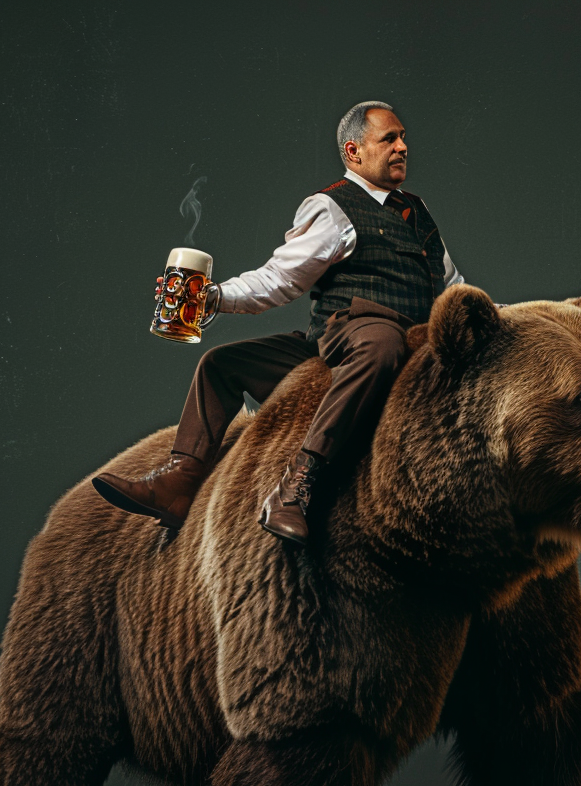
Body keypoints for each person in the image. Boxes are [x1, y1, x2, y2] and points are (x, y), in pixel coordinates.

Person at [93, 101, 467, 545]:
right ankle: (194, 484)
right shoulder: (333, 208)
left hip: (414, 339)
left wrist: (497, 327)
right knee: (224, 364)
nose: (403, 146)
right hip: (351, 331)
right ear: (354, 151)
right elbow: (279, 279)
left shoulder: (418, 211)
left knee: (372, 344)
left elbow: (453, 285)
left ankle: (290, 482)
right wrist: (212, 296)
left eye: (403, 137)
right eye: (389, 139)